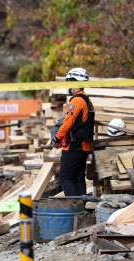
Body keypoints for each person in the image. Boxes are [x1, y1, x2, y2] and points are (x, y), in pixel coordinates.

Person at [52, 67, 95, 196]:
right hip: (84, 146)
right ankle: (82, 210)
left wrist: (56, 139)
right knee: (78, 179)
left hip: (74, 146)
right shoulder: (87, 100)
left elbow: (67, 124)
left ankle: (75, 210)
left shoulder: (76, 101)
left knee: (64, 178)